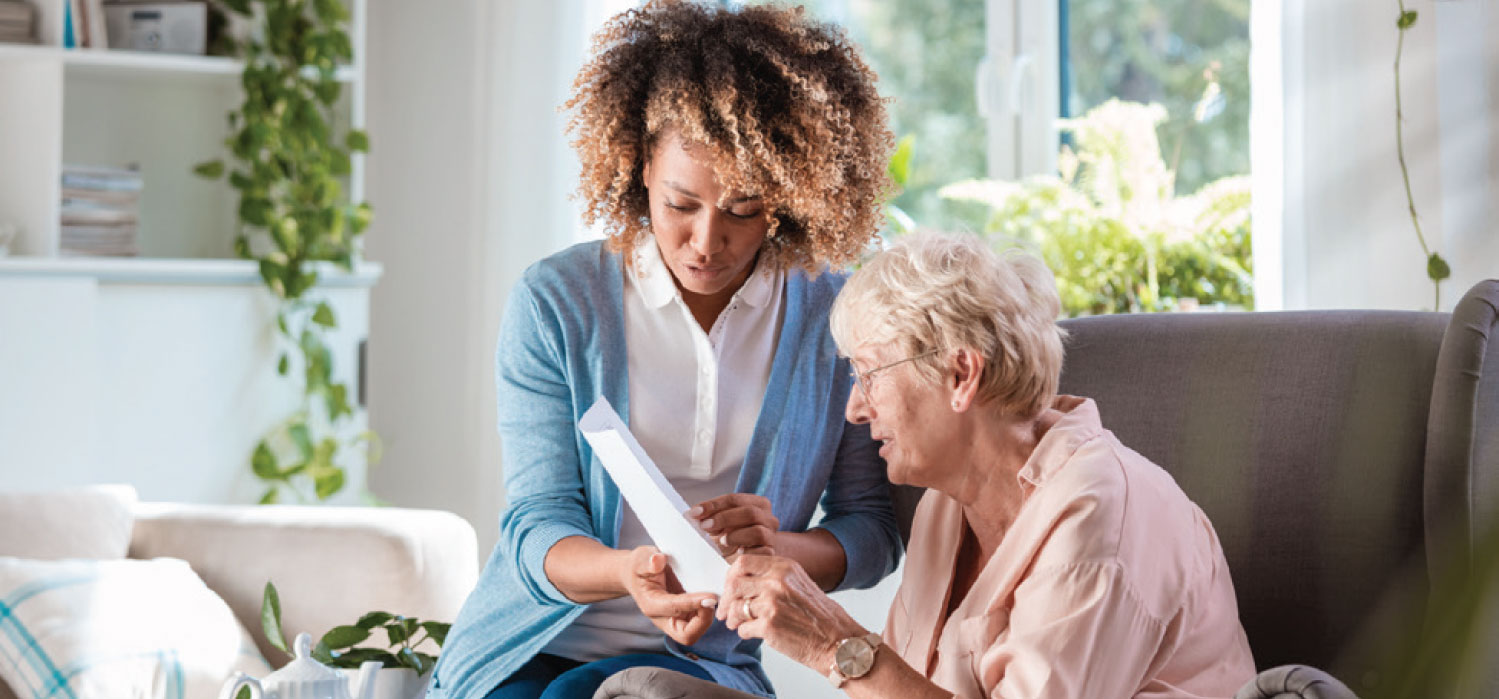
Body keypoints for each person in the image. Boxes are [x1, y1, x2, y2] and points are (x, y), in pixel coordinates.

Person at [427, 2, 903, 698]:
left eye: (743, 210)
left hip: (704, 661)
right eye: (682, 204)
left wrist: (769, 555)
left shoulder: (833, 317)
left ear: (789, 195)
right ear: (641, 164)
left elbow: (871, 529)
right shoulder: (557, 302)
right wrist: (629, 573)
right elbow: (537, 523)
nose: (707, 241)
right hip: (525, 645)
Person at [717, 232, 1257, 698]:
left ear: (961, 375)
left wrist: (831, 643)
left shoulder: (1100, 517)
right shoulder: (943, 509)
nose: (855, 409)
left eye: (870, 374)